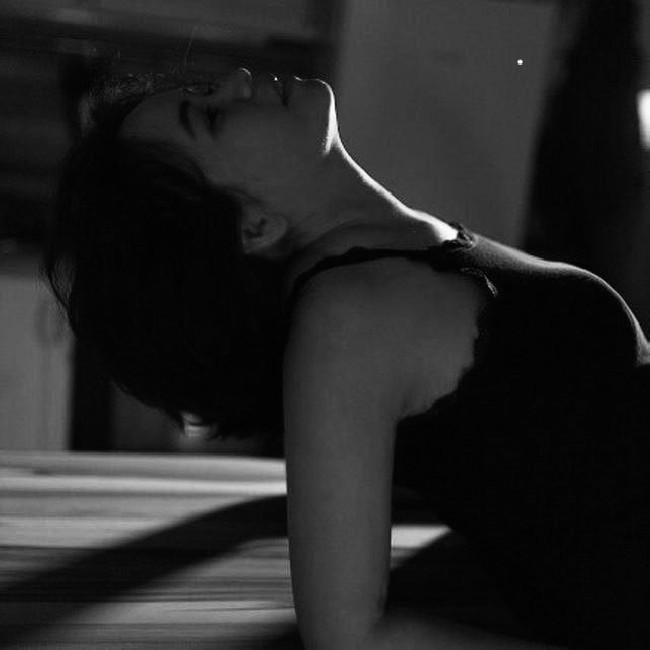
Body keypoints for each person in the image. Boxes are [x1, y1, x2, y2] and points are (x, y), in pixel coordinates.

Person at [43, 67, 650, 649]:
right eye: (211, 115)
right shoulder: (347, 319)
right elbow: (347, 635)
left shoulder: (383, 258)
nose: (234, 81)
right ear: (252, 226)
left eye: (204, 88)